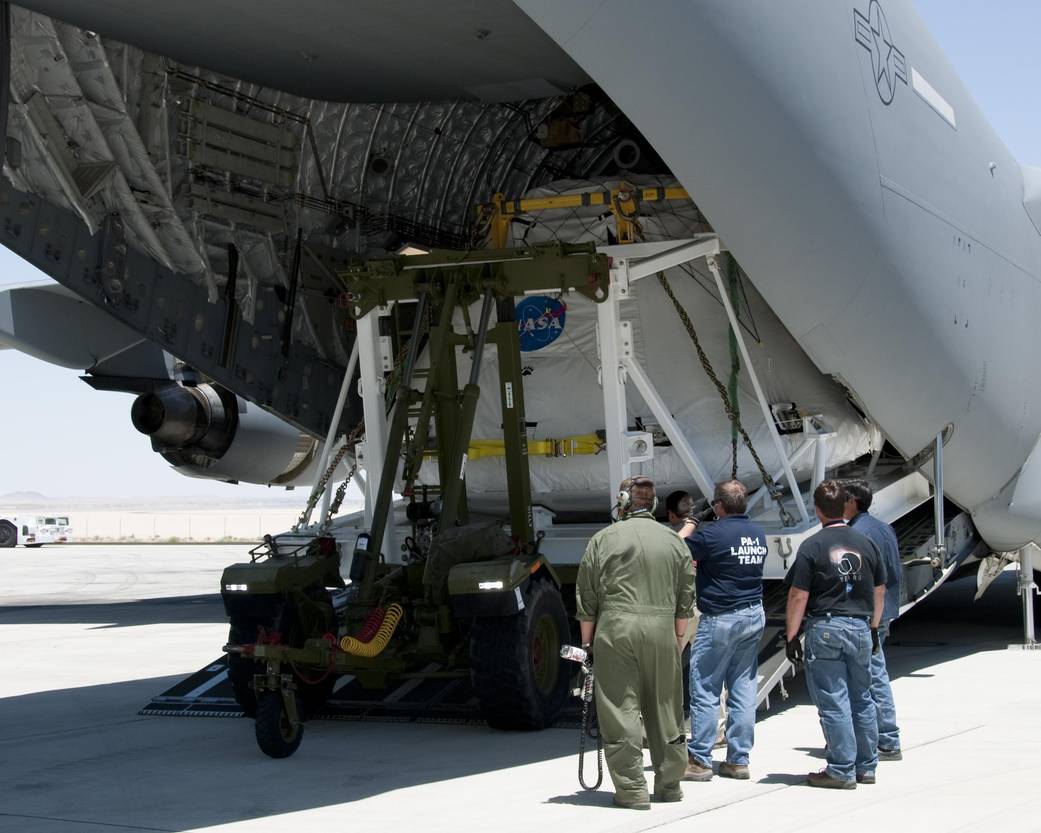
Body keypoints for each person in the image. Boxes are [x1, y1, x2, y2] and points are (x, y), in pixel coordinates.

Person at [576, 476, 695, 810]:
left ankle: (632, 791)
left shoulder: (602, 539)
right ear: (654, 504)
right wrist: (676, 640)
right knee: (666, 708)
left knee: (620, 709)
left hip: (615, 631)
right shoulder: (674, 542)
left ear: (623, 501)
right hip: (662, 631)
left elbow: (587, 600)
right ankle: (669, 785)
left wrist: (587, 647)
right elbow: (686, 599)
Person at [785, 480, 887, 789]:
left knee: (834, 700)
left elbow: (798, 596)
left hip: (827, 628)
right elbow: (880, 591)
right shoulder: (866, 542)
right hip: (860, 626)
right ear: (845, 506)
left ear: (817, 511)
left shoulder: (812, 546)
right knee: (862, 698)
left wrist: (791, 637)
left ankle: (841, 768)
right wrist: (873, 628)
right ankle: (866, 766)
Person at [675, 480, 767, 781]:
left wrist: (691, 522)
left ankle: (700, 759)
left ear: (718, 506)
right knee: (742, 687)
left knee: (705, 687)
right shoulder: (757, 533)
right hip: (753, 614)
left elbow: (675, 551)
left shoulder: (710, 535)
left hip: (721, 618)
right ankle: (738, 759)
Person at [843, 479, 903, 760]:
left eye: (843, 499)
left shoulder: (857, 534)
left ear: (853, 502)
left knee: (871, 676)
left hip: (869, 615)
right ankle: (885, 737)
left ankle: (887, 739)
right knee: (876, 673)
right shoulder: (884, 527)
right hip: (885, 609)